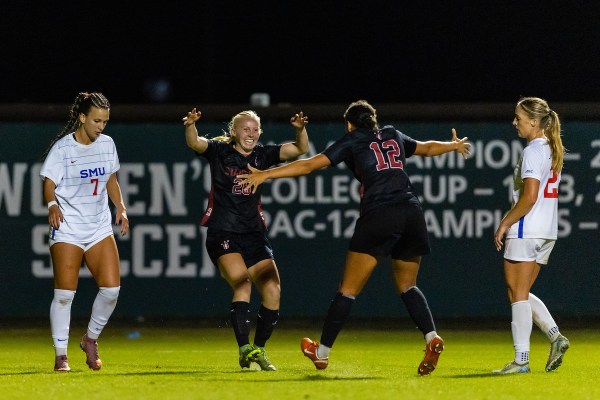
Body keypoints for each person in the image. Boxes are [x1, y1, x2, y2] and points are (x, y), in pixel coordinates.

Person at [238, 100, 472, 375]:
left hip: (380, 213)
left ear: (350, 124)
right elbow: (427, 148)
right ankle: (432, 337)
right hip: (412, 212)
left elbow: (310, 165)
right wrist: (453, 146)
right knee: (408, 285)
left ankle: (321, 352)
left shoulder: (352, 140)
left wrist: (266, 174)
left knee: (348, 289)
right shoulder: (393, 134)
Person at [182, 107, 309, 371]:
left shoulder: (263, 155)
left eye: (255, 129)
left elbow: (299, 149)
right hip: (222, 232)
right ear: (234, 132)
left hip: (254, 234)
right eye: (245, 129)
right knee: (243, 284)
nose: (250, 134)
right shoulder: (220, 152)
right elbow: (195, 142)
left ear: (260, 133)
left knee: (273, 291)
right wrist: (190, 125)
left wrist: (300, 130)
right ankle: (244, 349)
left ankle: (259, 350)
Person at [40, 92, 129, 372]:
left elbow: (111, 179)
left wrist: (121, 208)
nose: (101, 127)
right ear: (82, 117)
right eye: (96, 121)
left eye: (105, 121)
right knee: (65, 294)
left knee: (111, 290)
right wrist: (52, 204)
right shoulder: (63, 149)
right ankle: (60, 356)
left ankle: (90, 339)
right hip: (68, 227)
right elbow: (49, 182)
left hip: (98, 226)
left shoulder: (107, 144)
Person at [493, 97, 569, 374]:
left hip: (526, 228)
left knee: (517, 294)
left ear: (534, 122)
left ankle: (521, 359)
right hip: (546, 230)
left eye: (519, 118)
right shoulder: (551, 147)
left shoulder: (533, 150)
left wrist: (504, 223)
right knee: (519, 292)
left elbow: (530, 197)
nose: (515, 122)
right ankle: (555, 336)